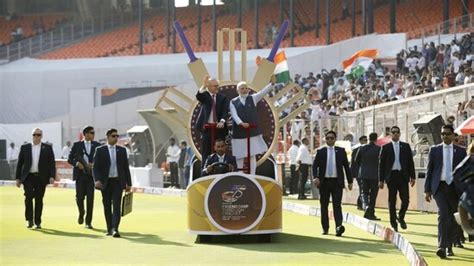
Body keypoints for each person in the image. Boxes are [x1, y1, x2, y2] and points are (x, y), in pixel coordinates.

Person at [425, 125, 467, 259]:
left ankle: (449, 246)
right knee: (443, 214)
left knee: (452, 217)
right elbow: (429, 170)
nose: (444, 136)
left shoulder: (461, 152)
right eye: (442, 134)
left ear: (453, 135)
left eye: (447, 134)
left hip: (455, 188)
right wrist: (427, 190)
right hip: (440, 187)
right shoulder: (435, 150)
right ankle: (441, 246)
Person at [313, 131, 353, 236]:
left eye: (331, 138)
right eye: (327, 138)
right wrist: (315, 177)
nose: (329, 140)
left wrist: (350, 181)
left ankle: (338, 227)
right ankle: (325, 228)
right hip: (324, 182)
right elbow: (314, 166)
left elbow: (346, 167)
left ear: (335, 139)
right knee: (324, 205)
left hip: (337, 182)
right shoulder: (320, 151)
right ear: (325, 139)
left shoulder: (341, 151)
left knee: (337, 205)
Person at [93, 129, 132, 238]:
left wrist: (129, 183)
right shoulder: (100, 150)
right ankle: (109, 228)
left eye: (117, 136)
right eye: (113, 136)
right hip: (105, 182)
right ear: (108, 137)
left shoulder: (122, 150)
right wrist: (97, 180)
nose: (116, 138)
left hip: (118, 182)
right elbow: (96, 167)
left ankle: (115, 228)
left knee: (116, 206)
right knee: (106, 205)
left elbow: (125, 168)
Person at [230, 80, 274, 174]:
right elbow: (234, 115)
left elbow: (262, 92)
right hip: (239, 131)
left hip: (252, 131)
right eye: (242, 88)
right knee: (239, 154)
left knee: (252, 153)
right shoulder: (233, 102)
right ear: (238, 90)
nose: (245, 90)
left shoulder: (253, 98)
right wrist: (241, 123)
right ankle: (239, 174)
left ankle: (252, 174)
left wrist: (271, 84)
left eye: (246, 88)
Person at [15, 128, 56, 229]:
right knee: (28, 196)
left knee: (39, 199)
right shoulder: (25, 147)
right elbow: (20, 163)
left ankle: (38, 221)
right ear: (32, 135)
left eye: (38, 135)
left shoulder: (47, 148)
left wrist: (52, 176)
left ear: (41, 136)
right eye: (34, 135)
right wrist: (17, 178)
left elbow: (51, 163)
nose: (36, 137)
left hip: (41, 177)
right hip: (28, 177)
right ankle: (29, 220)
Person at [379, 126, 416, 232]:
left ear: (400, 134)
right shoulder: (385, 147)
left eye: (397, 132)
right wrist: (380, 180)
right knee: (392, 200)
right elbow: (381, 165)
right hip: (391, 176)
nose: (395, 134)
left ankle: (401, 217)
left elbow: (410, 162)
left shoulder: (405, 146)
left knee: (406, 200)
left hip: (403, 176)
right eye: (393, 132)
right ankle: (393, 223)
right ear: (390, 134)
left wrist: (412, 176)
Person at [67, 126, 100, 229]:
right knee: (79, 198)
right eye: (91, 133)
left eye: (94, 133)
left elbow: (101, 159)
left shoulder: (97, 145)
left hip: (91, 176)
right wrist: (77, 164)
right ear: (85, 134)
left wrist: (93, 164)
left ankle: (88, 222)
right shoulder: (77, 145)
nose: (93, 135)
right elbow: (69, 159)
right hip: (80, 176)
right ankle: (81, 212)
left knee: (90, 199)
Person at [195, 76, 229, 165]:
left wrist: (222, 121)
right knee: (206, 152)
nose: (217, 88)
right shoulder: (205, 96)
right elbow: (199, 96)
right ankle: (205, 171)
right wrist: (203, 86)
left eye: (218, 85)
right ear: (209, 87)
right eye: (215, 86)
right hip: (207, 129)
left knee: (220, 151)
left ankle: (220, 168)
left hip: (219, 129)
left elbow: (225, 111)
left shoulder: (223, 97)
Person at [354, 132, 381, 220]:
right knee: (373, 194)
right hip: (375, 175)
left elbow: (356, 160)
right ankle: (371, 212)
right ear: (376, 139)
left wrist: (363, 166)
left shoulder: (362, 148)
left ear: (369, 139)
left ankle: (366, 206)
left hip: (363, 174)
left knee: (364, 192)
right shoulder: (379, 149)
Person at [351, 135, 368, 210]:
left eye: (366, 140)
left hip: (366, 172)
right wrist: (352, 174)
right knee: (362, 188)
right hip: (358, 173)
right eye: (364, 140)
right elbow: (353, 163)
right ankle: (361, 204)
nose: (365, 141)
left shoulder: (368, 149)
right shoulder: (356, 150)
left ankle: (360, 204)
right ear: (360, 141)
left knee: (363, 189)